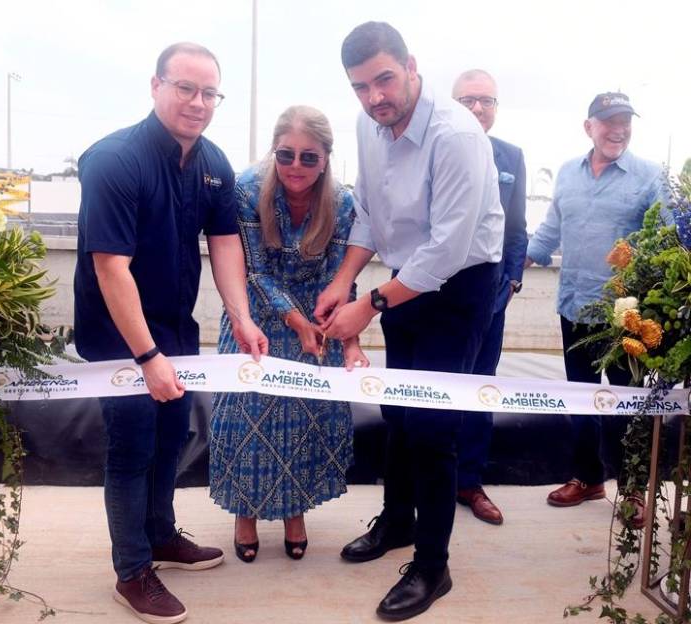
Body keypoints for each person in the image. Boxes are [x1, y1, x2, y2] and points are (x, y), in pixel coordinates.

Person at [315, 22, 504, 621]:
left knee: (434, 426)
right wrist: (342, 282)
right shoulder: (369, 127)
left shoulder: (457, 134)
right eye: (361, 86)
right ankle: (397, 522)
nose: (375, 97)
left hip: (460, 287)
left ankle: (432, 565)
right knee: (398, 410)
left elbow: (447, 251)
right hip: (403, 283)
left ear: (411, 66)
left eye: (384, 79)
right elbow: (369, 215)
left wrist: (365, 307)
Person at [73, 42, 268, 624]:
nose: (198, 102)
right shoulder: (114, 160)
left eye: (209, 92)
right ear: (155, 86)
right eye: (185, 87)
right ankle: (132, 571)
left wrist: (240, 314)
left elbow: (226, 241)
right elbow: (111, 265)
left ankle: (159, 536)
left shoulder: (213, 163)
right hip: (119, 336)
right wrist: (147, 354)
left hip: (176, 330)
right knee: (132, 446)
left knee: (170, 437)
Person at [209, 105, 369, 564]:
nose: (295, 166)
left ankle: (295, 513)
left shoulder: (341, 202)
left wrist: (347, 340)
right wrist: (293, 321)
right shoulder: (246, 190)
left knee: (305, 421)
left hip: (318, 318)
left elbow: (342, 277)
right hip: (254, 318)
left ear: (326, 159)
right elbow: (254, 271)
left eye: (308, 158)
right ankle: (245, 515)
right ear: (273, 152)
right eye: (286, 155)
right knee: (245, 422)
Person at [526, 92, 666, 528]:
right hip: (573, 307)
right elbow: (551, 230)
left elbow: (664, 240)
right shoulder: (568, 172)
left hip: (626, 316)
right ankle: (588, 478)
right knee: (582, 400)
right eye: (608, 121)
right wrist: (516, 264)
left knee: (627, 403)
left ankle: (632, 490)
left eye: (625, 121)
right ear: (589, 126)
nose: (618, 129)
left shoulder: (648, 176)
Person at [452, 69, 528, 526]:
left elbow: (517, 229)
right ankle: (431, 481)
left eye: (486, 101)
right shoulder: (435, 148)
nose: (478, 109)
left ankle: (469, 481)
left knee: (481, 388)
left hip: (491, 301)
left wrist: (513, 281)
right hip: (436, 297)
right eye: (468, 100)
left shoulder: (512, 157)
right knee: (433, 390)